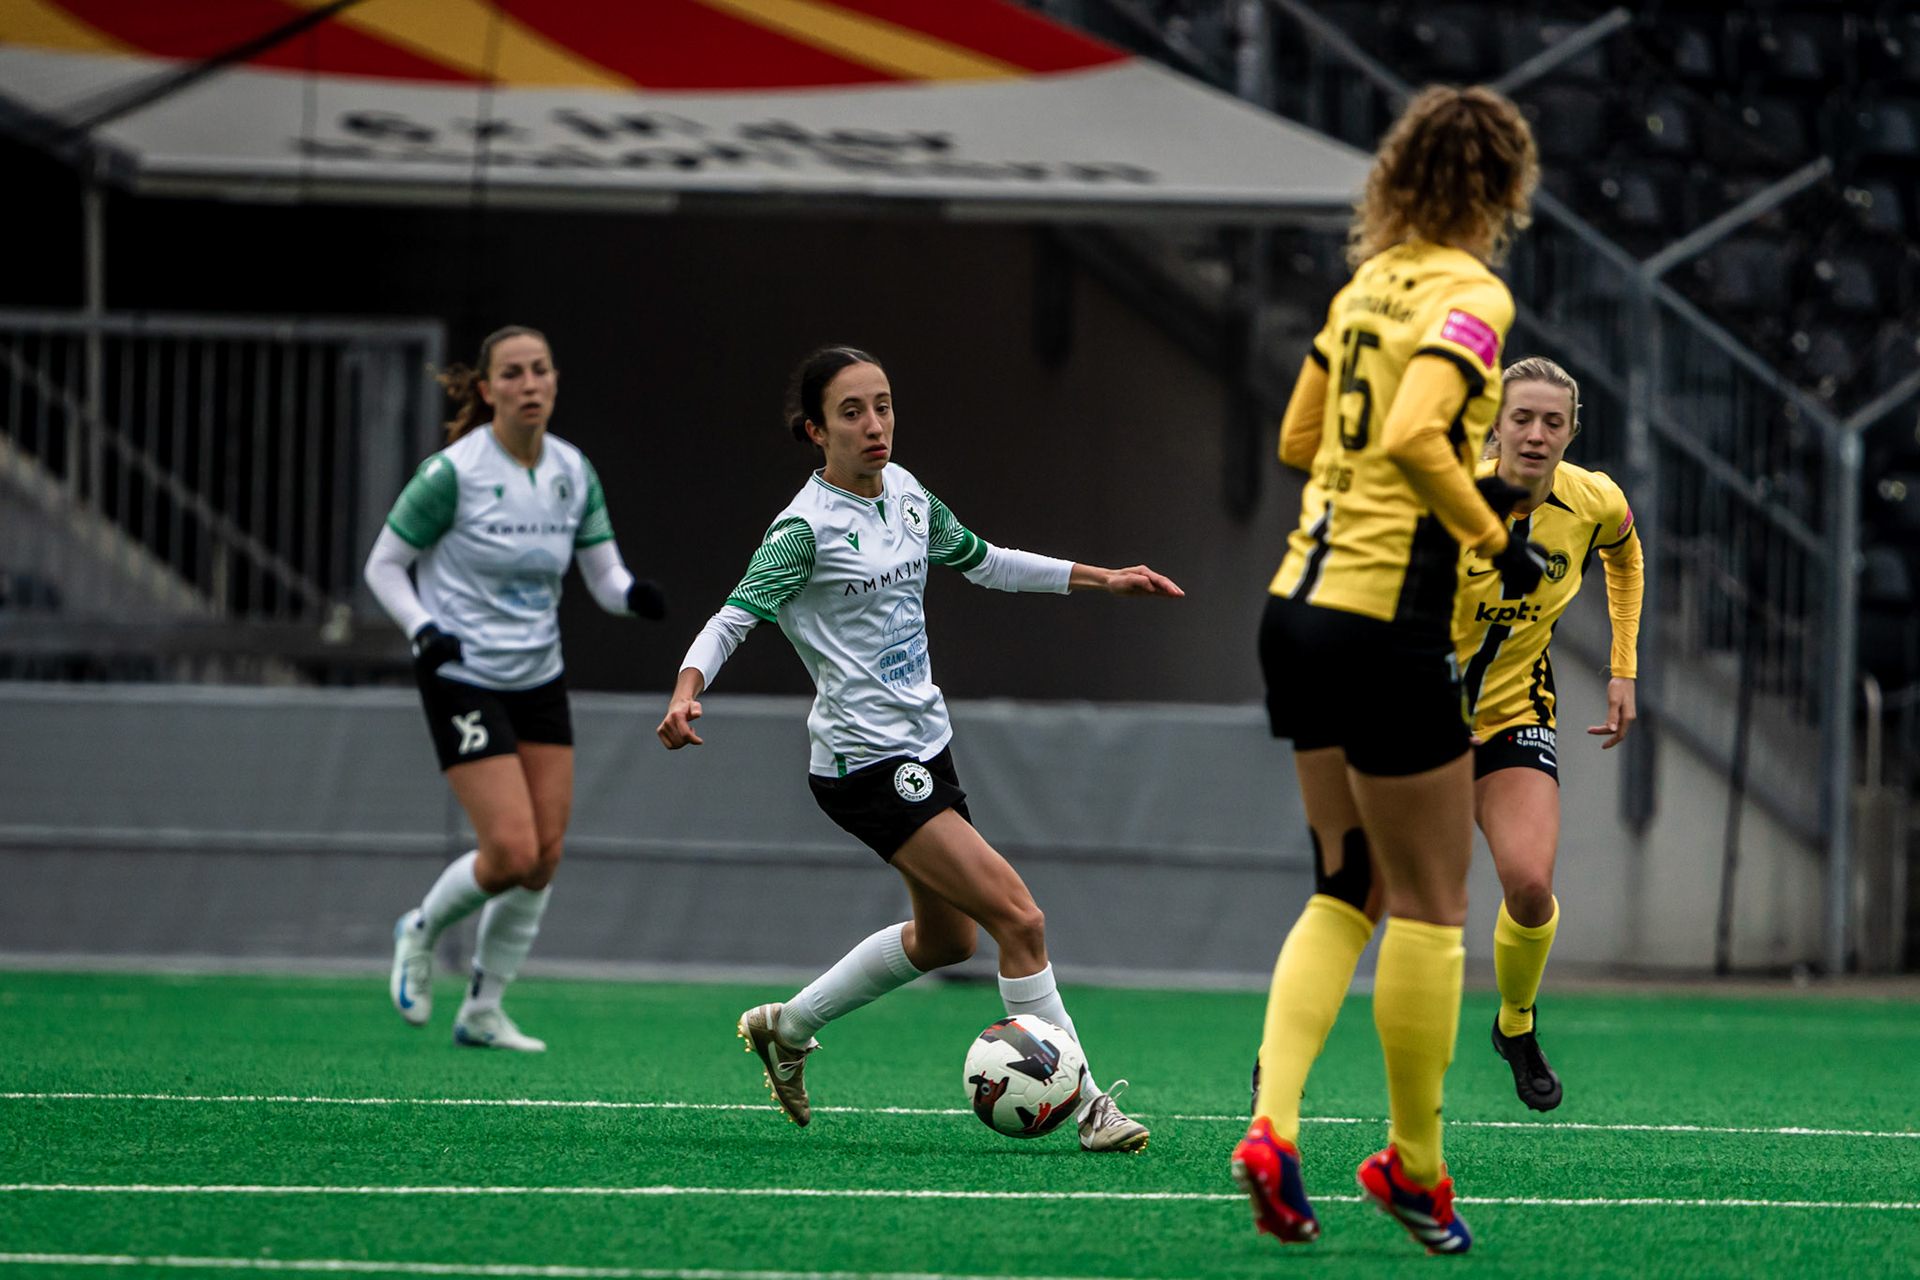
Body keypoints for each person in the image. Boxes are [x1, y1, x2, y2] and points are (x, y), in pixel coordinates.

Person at [657, 345, 1182, 1153]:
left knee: (947, 940)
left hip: (924, 750)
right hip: (865, 764)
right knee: (1020, 917)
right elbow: (735, 616)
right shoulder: (804, 529)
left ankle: (787, 1028)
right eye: (852, 412)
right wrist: (689, 687)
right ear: (814, 431)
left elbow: (986, 562)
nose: (875, 425)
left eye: (885, 405)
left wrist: (1102, 578)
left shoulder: (904, 494)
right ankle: (1086, 1108)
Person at [1230, 85, 1542, 1255]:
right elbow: (1416, 434)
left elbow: (1301, 440)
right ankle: (1415, 1166)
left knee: (1343, 879)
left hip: (1293, 608)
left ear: (1398, 174)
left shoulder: (1366, 286)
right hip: (1383, 619)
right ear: (1503, 188)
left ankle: (1273, 1125)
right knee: (1431, 904)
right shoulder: (1472, 293)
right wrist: (1494, 533)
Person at [367, 324, 664, 1052]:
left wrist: (635, 597)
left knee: (546, 853)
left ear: (555, 381)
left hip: (538, 676)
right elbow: (383, 565)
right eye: (513, 373)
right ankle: (421, 929)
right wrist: (420, 628)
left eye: (540, 371)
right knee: (507, 851)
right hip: (461, 672)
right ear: (488, 389)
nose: (529, 384)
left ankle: (483, 1009)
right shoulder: (454, 473)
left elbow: (602, 576)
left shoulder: (572, 470)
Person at [1458, 355, 1641, 1111]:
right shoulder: (1447, 491)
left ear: (1571, 432)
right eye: (1522, 418)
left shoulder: (1593, 499)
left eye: (1552, 422)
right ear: (1496, 425)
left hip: (1514, 714)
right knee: (1365, 896)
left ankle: (1516, 1023)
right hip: (1414, 719)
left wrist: (1623, 666)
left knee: (1531, 886)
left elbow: (1624, 554)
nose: (1536, 434)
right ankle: (1282, 1052)